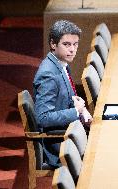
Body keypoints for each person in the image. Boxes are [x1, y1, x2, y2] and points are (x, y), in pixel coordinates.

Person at [33, 20, 92, 168]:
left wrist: (82, 110)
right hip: (60, 144)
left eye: (75, 44)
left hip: (72, 132)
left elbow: (68, 96)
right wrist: (75, 111)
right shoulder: (48, 74)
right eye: (66, 44)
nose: (72, 49)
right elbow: (43, 118)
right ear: (53, 44)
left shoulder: (61, 64)